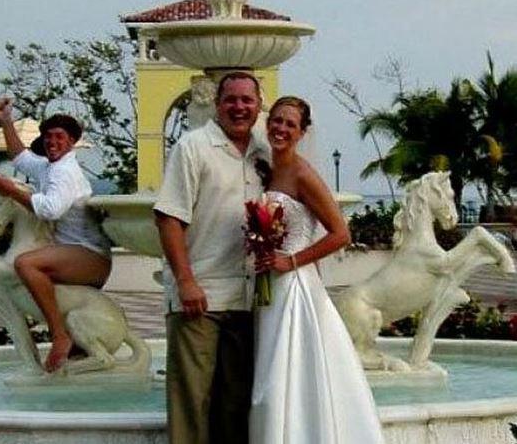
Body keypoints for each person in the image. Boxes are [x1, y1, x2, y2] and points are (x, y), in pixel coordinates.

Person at [251, 96, 385, 443]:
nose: (281, 128)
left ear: (302, 132)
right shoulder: (265, 169)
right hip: (268, 283)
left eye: (290, 124)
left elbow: (341, 234)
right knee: (266, 371)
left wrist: (290, 261)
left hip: (294, 285)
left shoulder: (302, 173)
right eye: (277, 121)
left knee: (284, 375)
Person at [154, 71, 268, 444]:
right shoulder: (193, 146)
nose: (239, 107)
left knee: (236, 406)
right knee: (192, 404)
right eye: (230, 99)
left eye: (247, 100)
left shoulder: (264, 153)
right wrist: (185, 281)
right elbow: (169, 216)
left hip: (248, 300)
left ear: (258, 105)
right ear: (217, 105)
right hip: (199, 299)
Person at [0, 98, 112, 373]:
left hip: (90, 256)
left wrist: (12, 192)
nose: (51, 141)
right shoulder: (49, 167)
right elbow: (20, 157)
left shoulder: (65, 172)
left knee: (25, 263)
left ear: (72, 142)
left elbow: (50, 210)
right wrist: (6, 120)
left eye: (59, 137)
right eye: (47, 137)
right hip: (72, 251)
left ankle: (59, 334)